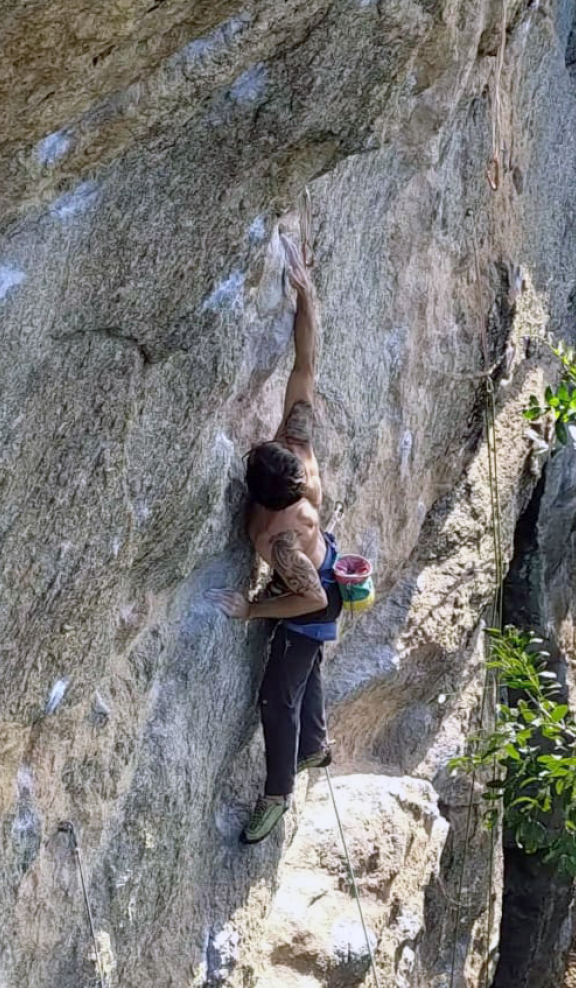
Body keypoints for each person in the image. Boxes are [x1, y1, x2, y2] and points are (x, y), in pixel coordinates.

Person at [208, 235, 338, 844]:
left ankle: (277, 795)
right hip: (322, 568)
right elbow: (305, 365)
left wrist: (254, 610)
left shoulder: (283, 541)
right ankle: (315, 747)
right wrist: (305, 292)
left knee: (275, 696)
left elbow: (310, 601)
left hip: (311, 598)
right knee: (304, 674)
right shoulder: (299, 446)